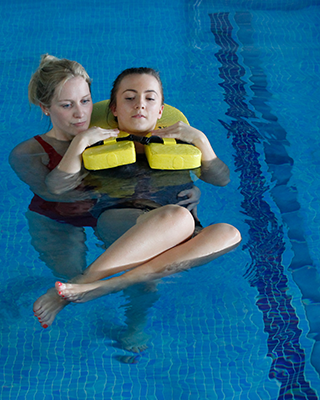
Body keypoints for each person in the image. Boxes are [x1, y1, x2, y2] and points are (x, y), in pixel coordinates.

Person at [26, 65, 241, 334]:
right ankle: (105, 298)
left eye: (150, 98)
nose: (140, 104)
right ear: (114, 108)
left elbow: (221, 179)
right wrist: (80, 144)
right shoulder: (95, 141)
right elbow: (56, 187)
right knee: (177, 219)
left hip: (179, 229)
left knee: (229, 233)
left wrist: (201, 140)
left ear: (161, 109)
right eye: (129, 98)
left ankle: (100, 285)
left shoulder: (182, 141)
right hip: (124, 217)